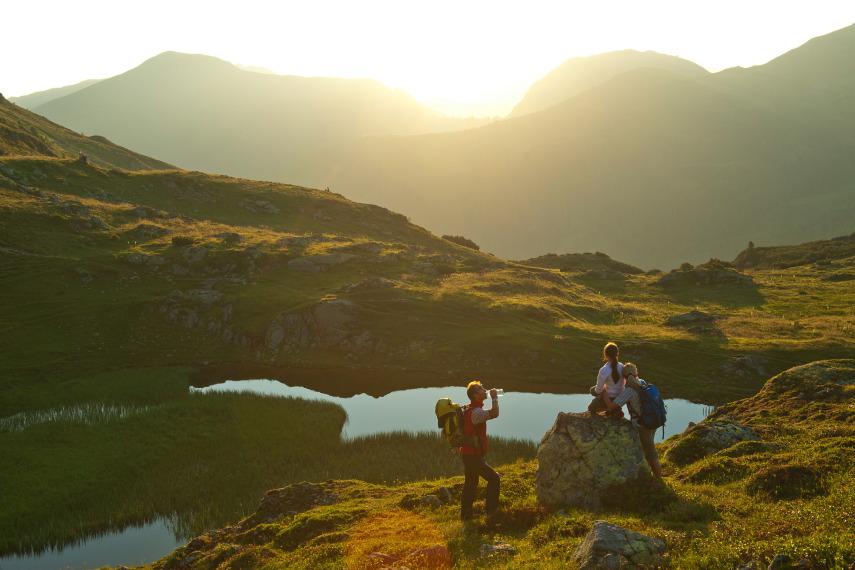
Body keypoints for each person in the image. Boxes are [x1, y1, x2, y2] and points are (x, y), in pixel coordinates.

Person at [606, 362, 663, 478]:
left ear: (624, 377)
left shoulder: (629, 391)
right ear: (637, 372)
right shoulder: (643, 382)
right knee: (648, 447)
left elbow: (612, 406)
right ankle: (651, 474)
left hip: (642, 425)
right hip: (654, 420)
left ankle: (658, 480)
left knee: (650, 453)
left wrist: (604, 393)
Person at [460, 380, 500, 521]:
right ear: (475, 395)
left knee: (471, 484)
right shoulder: (476, 412)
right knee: (494, 479)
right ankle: (491, 512)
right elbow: (495, 413)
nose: (484, 389)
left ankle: (466, 516)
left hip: (468, 454)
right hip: (473, 456)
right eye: (481, 388)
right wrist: (494, 398)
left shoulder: (470, 409)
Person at [588, 341, 625, 417]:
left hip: (608, 398)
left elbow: (598, 390)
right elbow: (624, 384)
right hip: (619, 398)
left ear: (605, 354)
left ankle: (609, 408)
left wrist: (602, 392)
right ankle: (615, 409)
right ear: (617, 353)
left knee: (592, 392)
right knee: (597, 390)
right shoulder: (622, 366)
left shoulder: (604, 370)